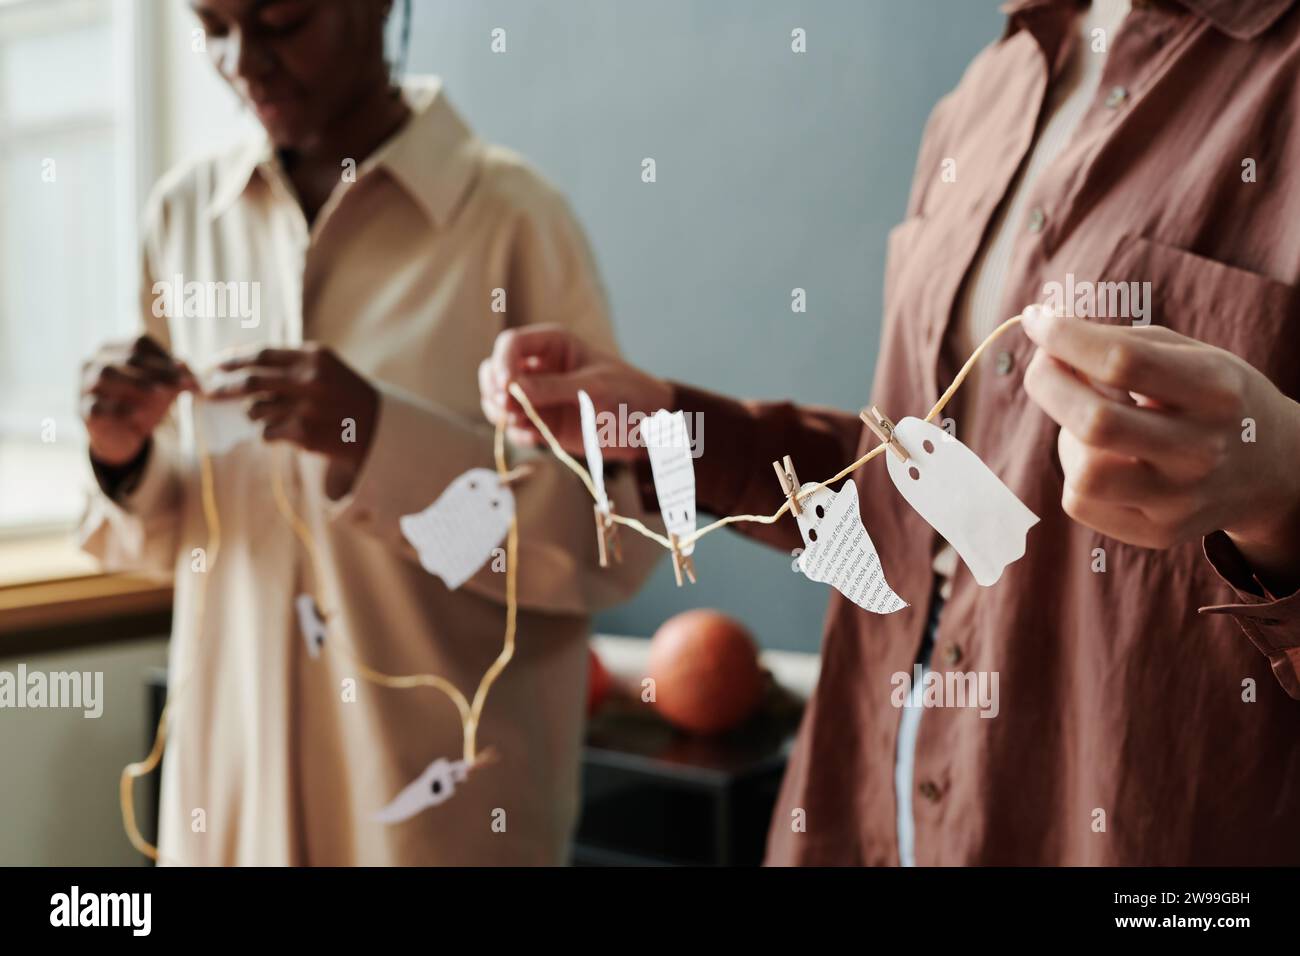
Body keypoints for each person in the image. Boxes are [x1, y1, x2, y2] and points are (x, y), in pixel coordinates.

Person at [481, 0, 1300, 865]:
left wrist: (1284, 487)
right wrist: (668, 430)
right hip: (871, 805)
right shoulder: (990, 91)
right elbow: (918, 503)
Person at [78, 0, 658, 865]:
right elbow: (178, 534)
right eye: (213, 26)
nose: (245, 61)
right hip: (229, 804)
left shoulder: (513, 221)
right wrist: (123, 458)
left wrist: (382, 438)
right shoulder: (182, 219)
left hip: (438, 819)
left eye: (282, 21)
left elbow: (613, 536)